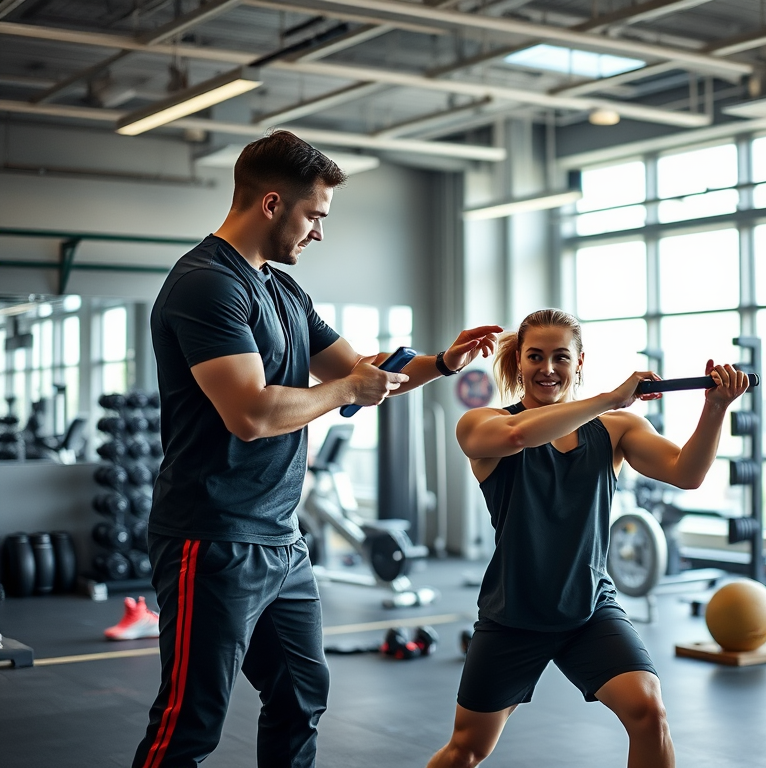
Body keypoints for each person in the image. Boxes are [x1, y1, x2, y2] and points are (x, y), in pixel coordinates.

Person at [132, 129, 500, 768]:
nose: (319, 232)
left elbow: (362, 369)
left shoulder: (284, 292)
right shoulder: (206, 284)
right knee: (190, 722)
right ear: (272, 204)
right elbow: (249, 412)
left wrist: (441, 362)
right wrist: (347, 387)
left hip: (280, 539)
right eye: (314, 215)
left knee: (302, 696)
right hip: (213, 537)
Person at [426, 308, 749, 768]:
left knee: (648, 711)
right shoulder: (482, 424)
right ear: (518, 361)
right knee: (467, 749)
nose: (548, 368)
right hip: (514, 614)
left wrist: (715, 409)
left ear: (579, 361)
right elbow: (519, 436)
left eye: (561, 356)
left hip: (589, 609)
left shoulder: (618, 429)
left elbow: (687, 473)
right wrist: (608, 398)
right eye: (535, 356)